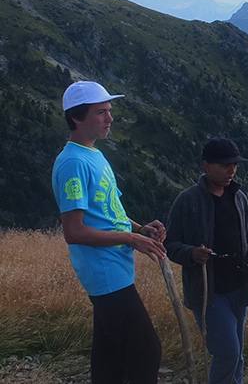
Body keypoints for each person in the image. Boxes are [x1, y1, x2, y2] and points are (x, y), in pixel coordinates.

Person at [51, 80, 166, 384]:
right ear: (77, 117)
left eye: (110, 111)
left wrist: (140, 228)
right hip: (104, 272)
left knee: (109, 357)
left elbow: (108, 214)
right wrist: (131, 238)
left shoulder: (95, 155)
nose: (110, 118)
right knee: (146, 352)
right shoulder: (72, 162)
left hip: (115, 269)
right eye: (101, 112)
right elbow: (73, 231)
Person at [164, 137, 248, 384]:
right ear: (206, 166)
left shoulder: (239, 198)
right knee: (228, 352)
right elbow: (170, 244)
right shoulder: (188, 200)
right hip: (209, 292)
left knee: (237, 354)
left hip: (240, 288)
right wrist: (191, 254)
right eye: (225, 164)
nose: (232, 170)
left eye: (235, 164)